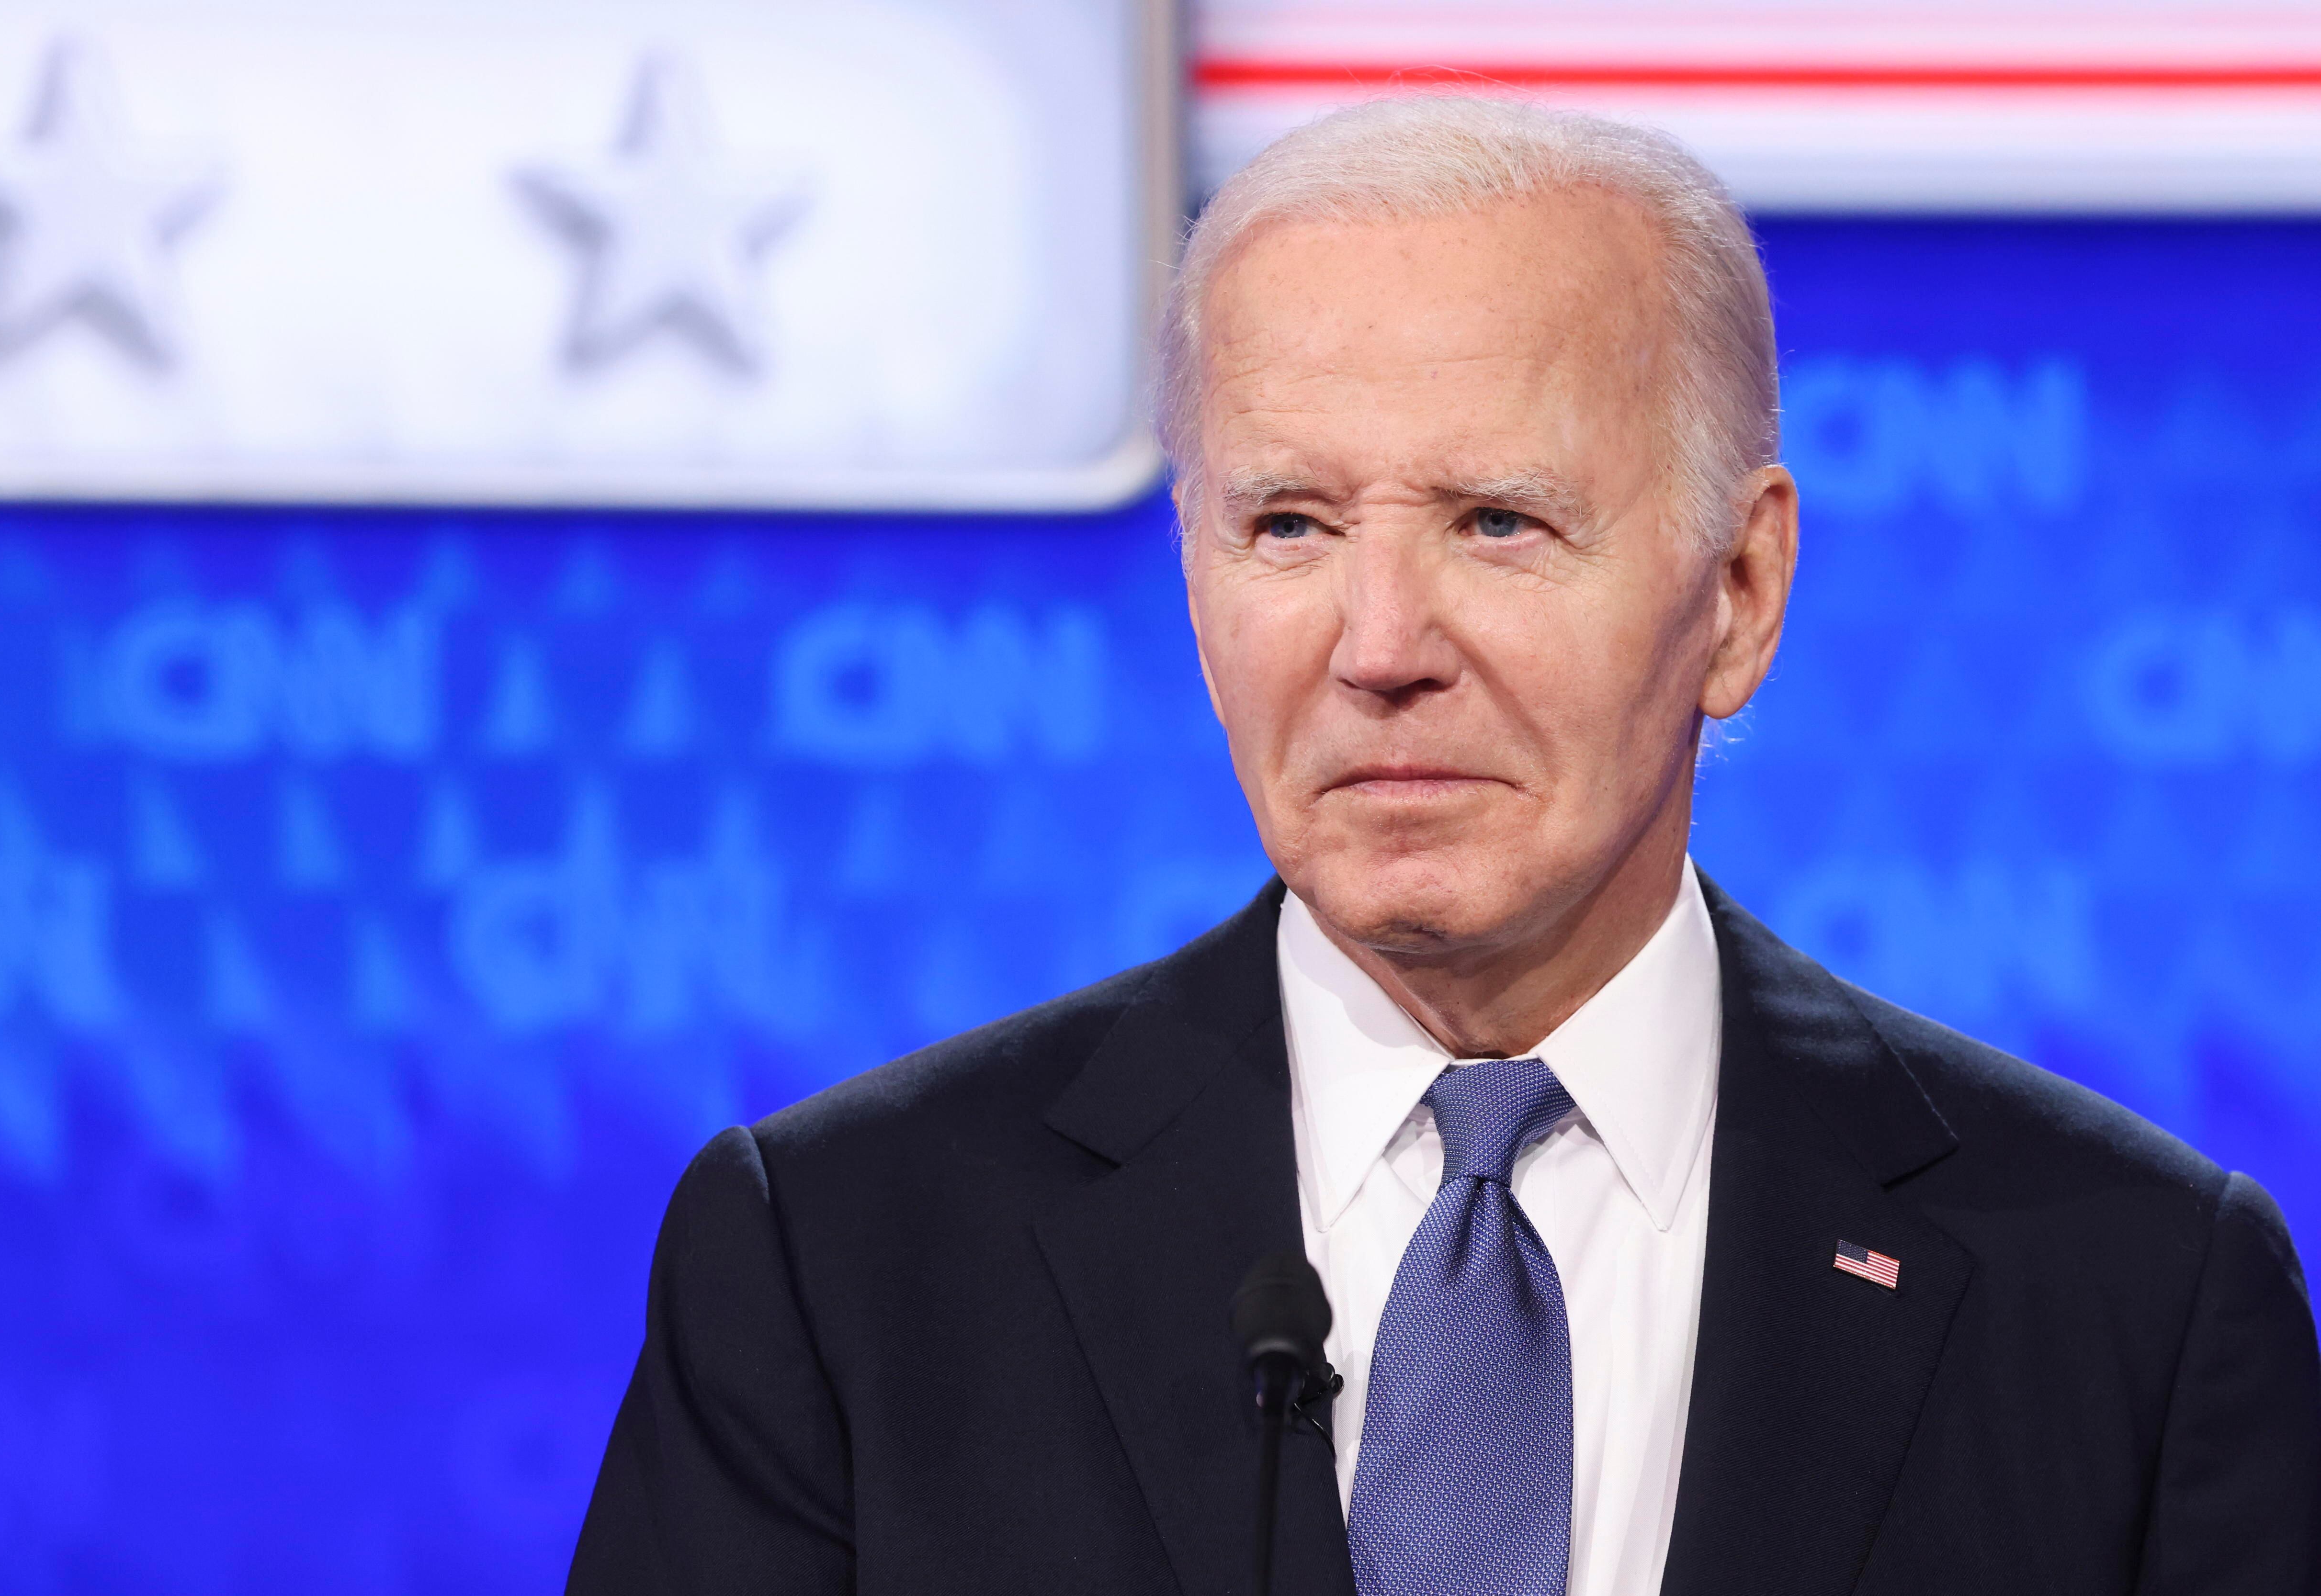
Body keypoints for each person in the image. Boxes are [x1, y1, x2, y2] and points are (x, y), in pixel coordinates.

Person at [565, 97, 2321, 1596]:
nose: (1380, 641)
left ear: (1740, 590)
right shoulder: (843, 1262)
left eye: (1498, 521)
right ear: (1195, 570)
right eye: (1291, 523)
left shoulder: (2130, 1301)